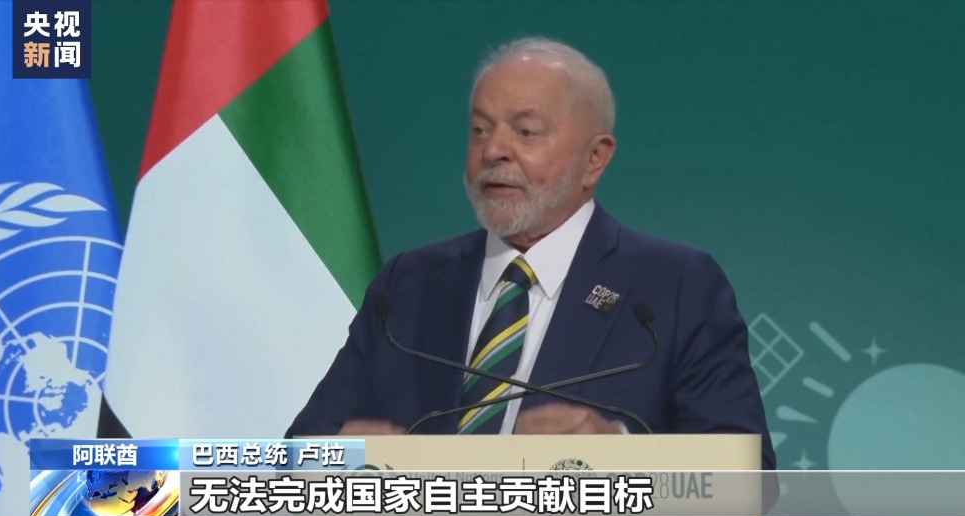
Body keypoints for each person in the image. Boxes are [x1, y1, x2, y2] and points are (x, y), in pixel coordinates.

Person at [285, 37, 776, 470]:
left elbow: (751, 478)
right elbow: (296, 455)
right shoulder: (408, 284)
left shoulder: (674, 287)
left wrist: (624, 456)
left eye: (526, 132)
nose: (493, 151)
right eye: (480, 130)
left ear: (594, 158)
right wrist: (344, 458)